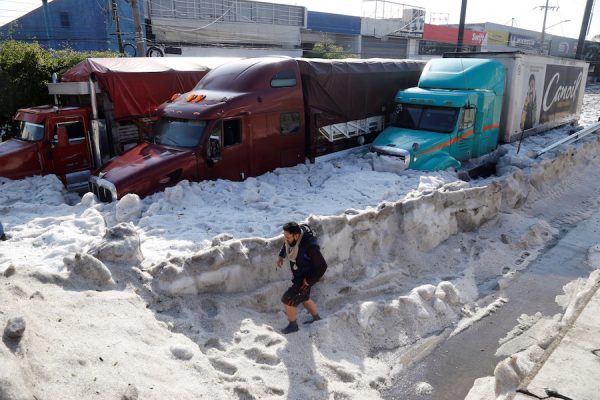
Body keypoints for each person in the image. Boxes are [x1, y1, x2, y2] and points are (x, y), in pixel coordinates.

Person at [277, 222, 327, 334]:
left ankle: (293, 326)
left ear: (296, 235)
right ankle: (317, 318)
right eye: (284, 236)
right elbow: (286, 244)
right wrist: (281, 255)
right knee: (305, 298)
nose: (285, 238)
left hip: (306, 278)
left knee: (287, 300)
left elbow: (322, 266)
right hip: (299, 274)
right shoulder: (292, 239)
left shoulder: (310, 247)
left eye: (287, 236)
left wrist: (309, 281)